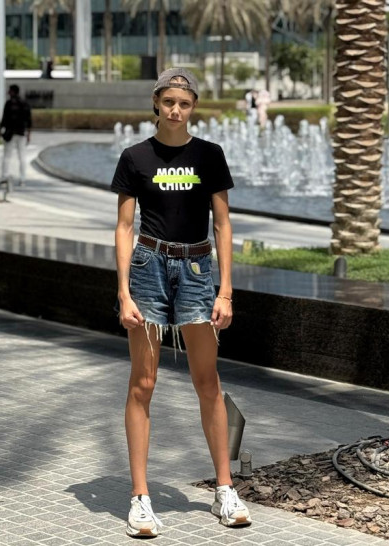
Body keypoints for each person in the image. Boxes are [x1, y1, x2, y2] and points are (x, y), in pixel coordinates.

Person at [112, 67, 250, 538]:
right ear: (156, 103)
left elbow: (223, 225)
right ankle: (140, 498)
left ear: (193, 107)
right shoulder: (135, 157)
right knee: (143, 383)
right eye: (169, 102)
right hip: (148, 268)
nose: (176, 110)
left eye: (184, 104)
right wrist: (123, 291)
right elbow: (125, 228)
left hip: (196, 270)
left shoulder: (209, 155)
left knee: (207, 381)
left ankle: (224, 490)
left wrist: (225, 291)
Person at [0, 84, 32, 186]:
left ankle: (4, 177)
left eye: (9, 91)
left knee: (7, 156)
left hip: (10, 133)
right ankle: (22, 179)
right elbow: (29, 120)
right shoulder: (24, 103)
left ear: (13, 92)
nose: (8, 92)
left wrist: (1, 131)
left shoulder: (9, 103)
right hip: (21, 133)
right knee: (22, 156)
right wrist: (29, 134)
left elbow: (4, 119)